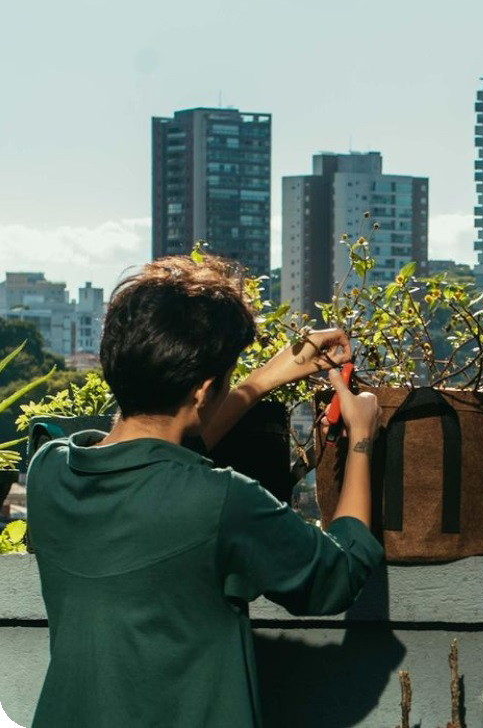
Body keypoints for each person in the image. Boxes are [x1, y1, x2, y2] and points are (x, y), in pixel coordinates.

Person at [25, 255, 383, 728]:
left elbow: (159, 451)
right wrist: (360, 439)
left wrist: (262, 380)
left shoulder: (49, 471)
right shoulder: (222, 501)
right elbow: (338, 574)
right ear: (204, 390)